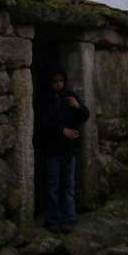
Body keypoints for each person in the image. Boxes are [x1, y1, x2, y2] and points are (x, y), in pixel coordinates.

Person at [37, 69, 90, 234]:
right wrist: (61, 131)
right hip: (52, 149)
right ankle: (54, 219)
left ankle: (69, 218)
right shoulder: (44, 99)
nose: (58, 84)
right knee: (53, 186)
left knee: (68, 185)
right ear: (50, 82)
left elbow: (84, 116)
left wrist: (78, 107)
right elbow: (42, 122)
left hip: (69, 150)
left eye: (61, 81)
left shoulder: (70, 96)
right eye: (55, 81)